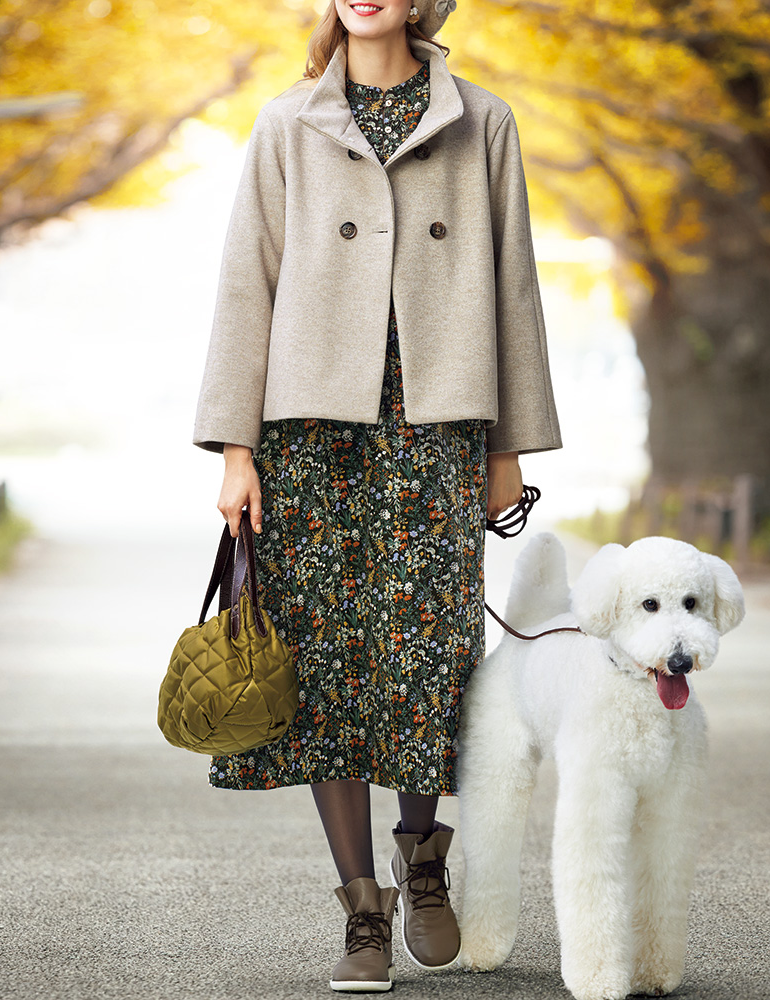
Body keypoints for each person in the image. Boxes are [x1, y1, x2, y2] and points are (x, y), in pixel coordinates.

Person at [193, 0, 561, 992]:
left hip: (437, 423)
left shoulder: (479, 119)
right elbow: (245, 283)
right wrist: (235, 449)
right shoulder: (286, 121)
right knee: (323, 656)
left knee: (428, 643)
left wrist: (508, 447)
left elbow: (513, 283)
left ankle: (421, 847)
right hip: (307, 427)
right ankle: (362, 906)